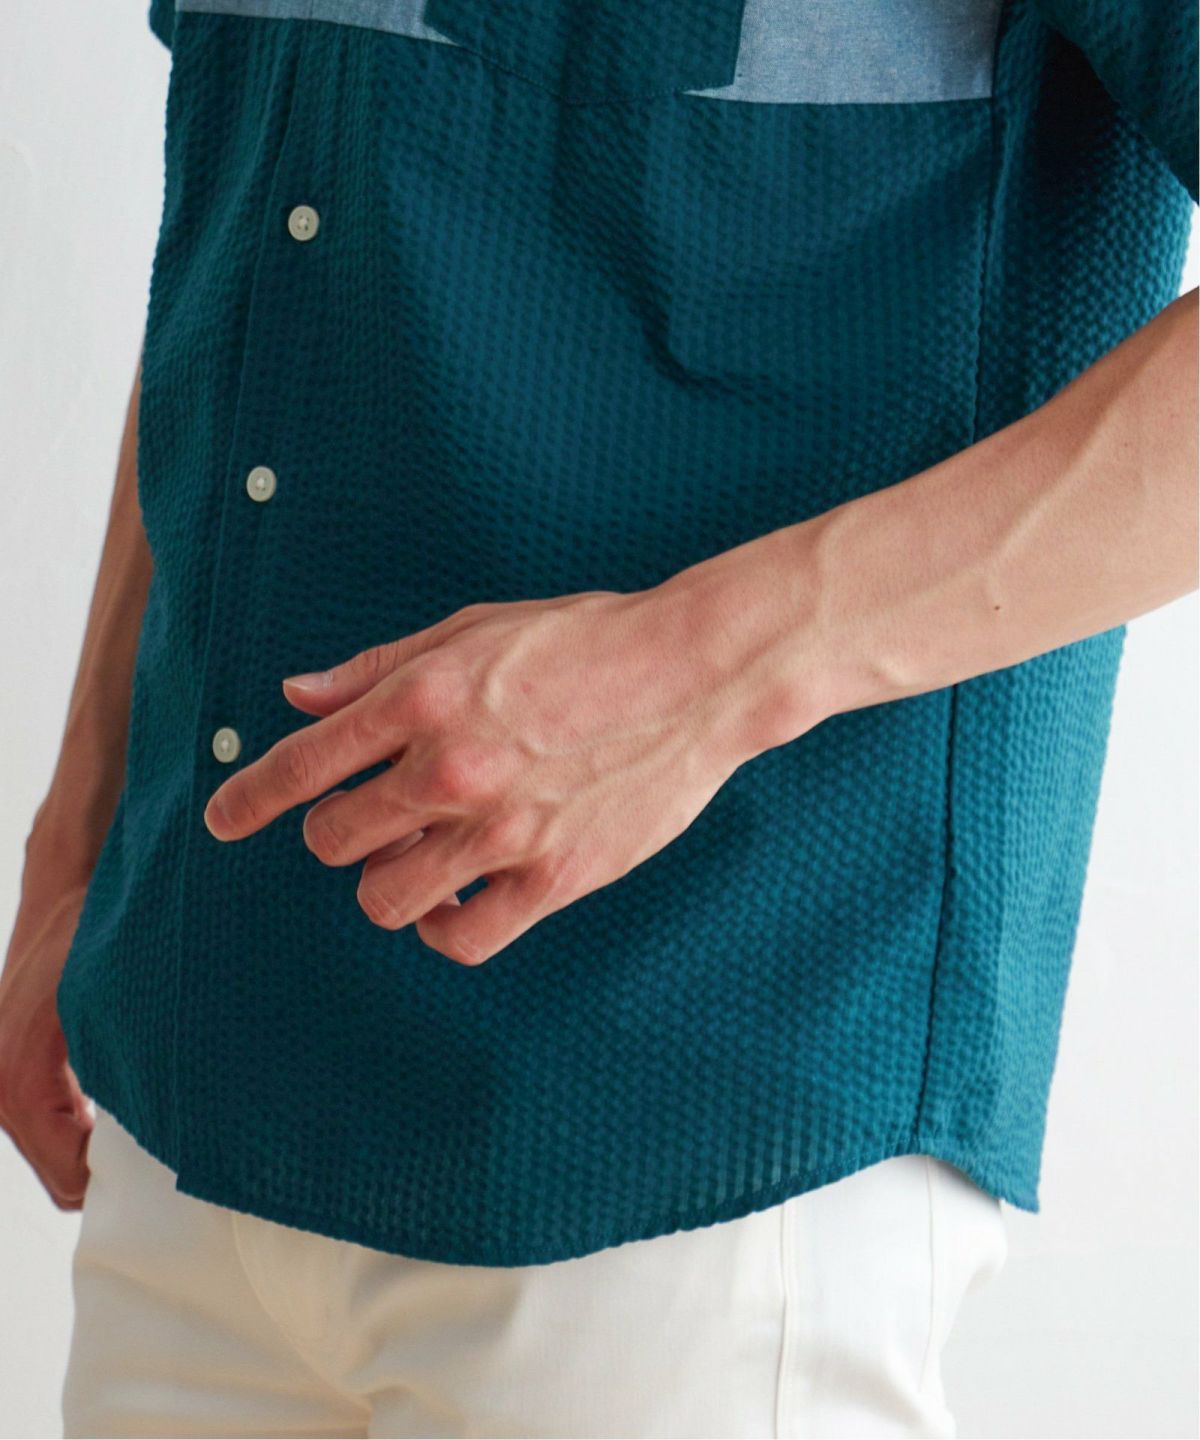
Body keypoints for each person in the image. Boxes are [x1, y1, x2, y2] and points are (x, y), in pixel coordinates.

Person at [2, 0, 1196, 1435]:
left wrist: (697, 672)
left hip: (695, 1139)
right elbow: (270, 191)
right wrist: (75, 838)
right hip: (190, 1088)